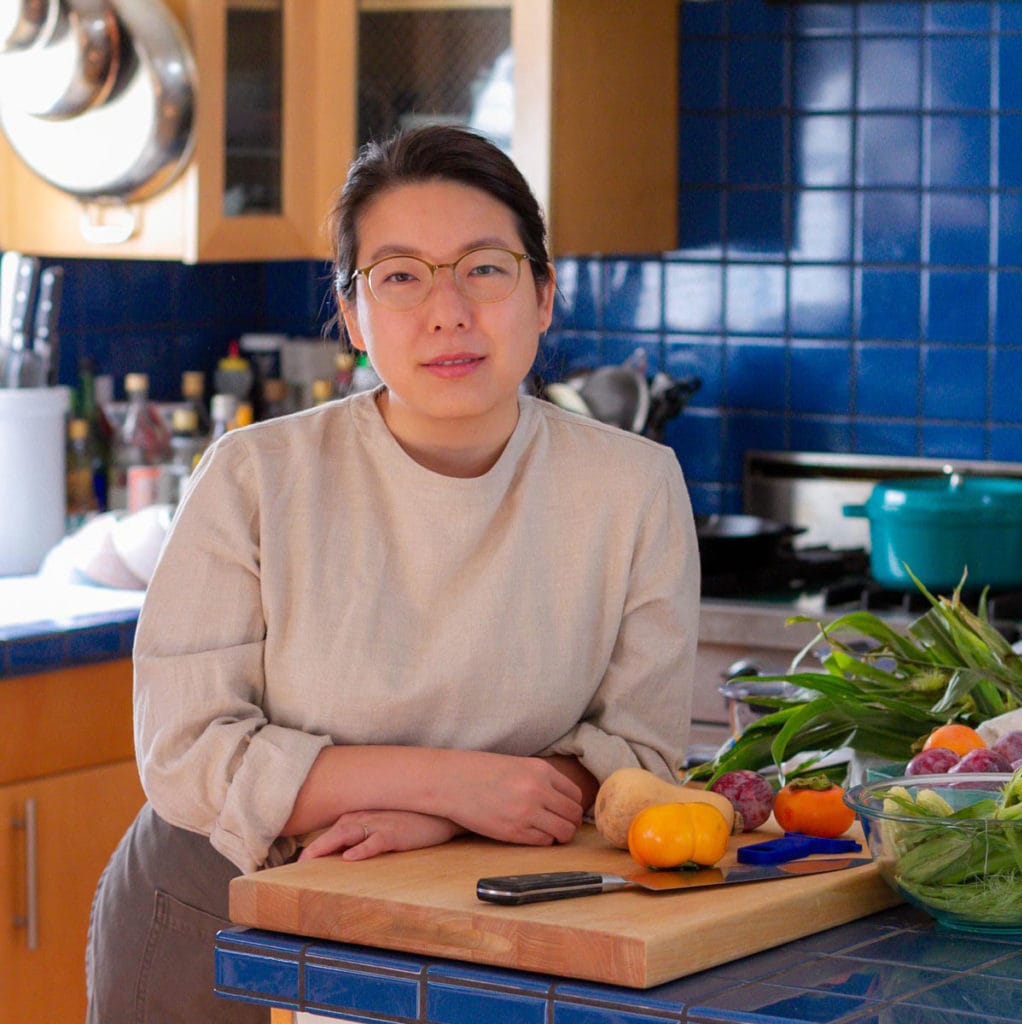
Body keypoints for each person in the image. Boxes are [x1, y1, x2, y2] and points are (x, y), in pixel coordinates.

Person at [86, 124, 700, 1023]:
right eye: (401, 275)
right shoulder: (256, 475)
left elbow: (638, 755)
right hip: (217, 905)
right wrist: (447, 784)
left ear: (543, 294)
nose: (447, 309)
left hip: (488, 921)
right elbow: (186, 753)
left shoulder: (634, 488)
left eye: (484, 267)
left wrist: (445, 823)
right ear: (354, 315)